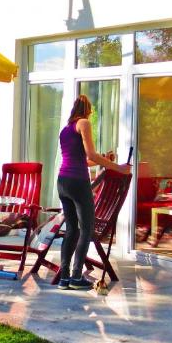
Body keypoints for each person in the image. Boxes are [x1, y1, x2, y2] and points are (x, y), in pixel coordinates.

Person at [56, 94, 130, 289]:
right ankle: (76, 276)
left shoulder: (65, 130)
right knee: (86, 229)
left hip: (63, 182)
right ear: (87, 110)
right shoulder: (84, 123)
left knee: (71, 229)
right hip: (79, 183)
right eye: (90, 111)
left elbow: (83, 159)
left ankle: (64, 278)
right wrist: (118, 167)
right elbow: (90, 155)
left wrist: (103, 158)